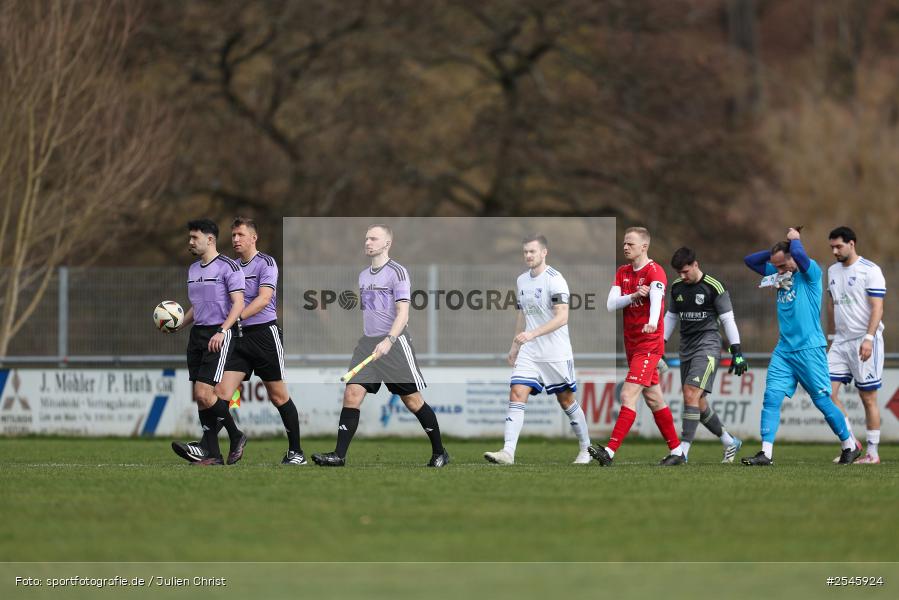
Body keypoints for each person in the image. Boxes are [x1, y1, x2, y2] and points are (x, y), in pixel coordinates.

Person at [311, 224, 449, 467]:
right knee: (352, 393)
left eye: (373, 239)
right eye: (366, 238)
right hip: (367, 344)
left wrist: (389, 340)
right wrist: (375, 339)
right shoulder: (363, 275)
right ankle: (339, 455)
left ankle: (440, 452)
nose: (367, 242)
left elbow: (403, 313)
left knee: (412, 401)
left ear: (387, 243)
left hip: (394, 344)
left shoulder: (398, 272)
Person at [741, 227, 859, 465]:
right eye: (776, 266)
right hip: (784, 349)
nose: (778, 270)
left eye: (783, 265)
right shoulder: (779, 271)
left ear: (793, 257)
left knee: (822, 401)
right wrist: (775, 254)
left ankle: (849, 444)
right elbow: (750, 261)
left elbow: (800, 257)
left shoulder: (810, 273)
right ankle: (766, 453)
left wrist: (795, 240)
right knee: (771, 397)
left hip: (809, 349)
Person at [483, 235, 591, 465]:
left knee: (566, 400)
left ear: (544, 253)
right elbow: (522, 314)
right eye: (525, 252)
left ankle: (586, 448)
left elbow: (562, 317)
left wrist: (532, 334)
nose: (528, 256)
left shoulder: (555, 279)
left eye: (532, 251)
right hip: (530, 351)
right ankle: (508, 452)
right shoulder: (522, 280)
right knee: (516, 392)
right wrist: (515, 345)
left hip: (555, 352)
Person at [588, 226, 685, 467]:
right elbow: (611, 304)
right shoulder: (623, 272)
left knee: (627, 394)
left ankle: (609, 452)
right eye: (624, 243)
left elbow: (657, 300)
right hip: (631, 344)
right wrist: (633, 296)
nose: (625, 247)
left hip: (649, 344)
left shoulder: (655, 271)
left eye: (630, 244)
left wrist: (652, 322)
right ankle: (677, 451)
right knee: (654, 399)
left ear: (644, 246)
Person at [170, 219, 247, 466]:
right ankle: (213, 455)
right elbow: (197, 306)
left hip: (219, 334)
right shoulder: (193, 269)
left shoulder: (228, 267)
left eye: (195, 237)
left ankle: (236, 435)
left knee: (204, 393)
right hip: (198, 335)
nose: (190, 242)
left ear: (210, 239)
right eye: (190, 237)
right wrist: (179, 324)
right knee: (201, 397)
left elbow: (238, 304)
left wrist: (222, 331)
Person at [664, 247, 746, 463]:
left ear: (695, 265)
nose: (682, 276)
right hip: (686, 348)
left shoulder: (713, 286)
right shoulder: (677, 287)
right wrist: (659, 343)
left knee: (690, 393)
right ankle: (729, 441)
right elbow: (671, 317)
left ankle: (682, 452)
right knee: (697, 401)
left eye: (685, 271)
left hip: (708, 346)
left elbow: (728, 319)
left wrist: (736, 350)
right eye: (679, 273)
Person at [826, 226, 886, 464]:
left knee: (867, 397)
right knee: (825, 392)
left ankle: (872, 453)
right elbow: (832, 304)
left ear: (852, 244)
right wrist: (831, 336)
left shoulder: (870, 270)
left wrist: (869, 338)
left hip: (864, 339)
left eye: (838, 246)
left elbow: (877, 307)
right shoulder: (832, 270)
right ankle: (851, 442)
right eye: (832, 247)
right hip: (840, 341)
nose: (834, 251)